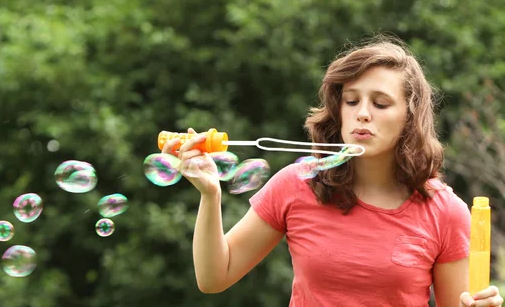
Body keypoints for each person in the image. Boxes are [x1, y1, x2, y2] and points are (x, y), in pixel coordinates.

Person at [161, 34, 503, 307]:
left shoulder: (445, 212)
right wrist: (210, 193)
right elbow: (214, 277)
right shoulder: (297, 185)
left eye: (381, 103)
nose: (363, 113)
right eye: (351, 101)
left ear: (409, 119)